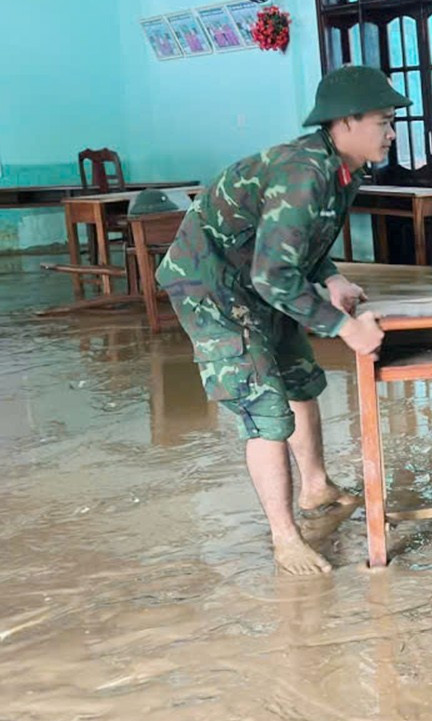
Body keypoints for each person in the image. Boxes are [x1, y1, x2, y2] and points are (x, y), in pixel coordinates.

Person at [156, 65, 407, 574]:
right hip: (212, 285)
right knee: (266, 405)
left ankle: (315, 489)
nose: (392, 132)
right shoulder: (304, 173)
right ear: (345, 122)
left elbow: (299, 243)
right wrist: (343, 327)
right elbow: (274, 275)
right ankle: (284, 537)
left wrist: (332, 278)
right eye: (383, 121)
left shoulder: (345, 169)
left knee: (300, 380)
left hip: (259, 276)